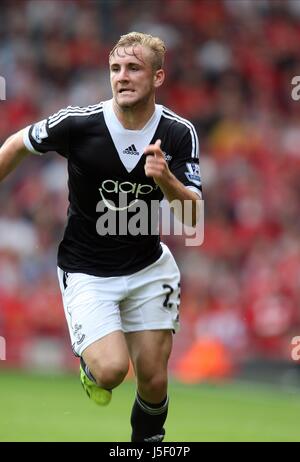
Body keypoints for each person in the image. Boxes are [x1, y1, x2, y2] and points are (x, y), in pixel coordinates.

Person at [0, 32, 201, 442]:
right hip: (88, 272)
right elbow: (18, 144)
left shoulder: (179, 133)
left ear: (158, 77)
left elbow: (193, 215)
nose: (122, 77)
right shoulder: (78, 124)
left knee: (153, 379)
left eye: (133, 68)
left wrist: (166, 181)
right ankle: (92, 369)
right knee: (112, 372)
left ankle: (146, 445)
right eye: (115, 69)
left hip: (148, 268)